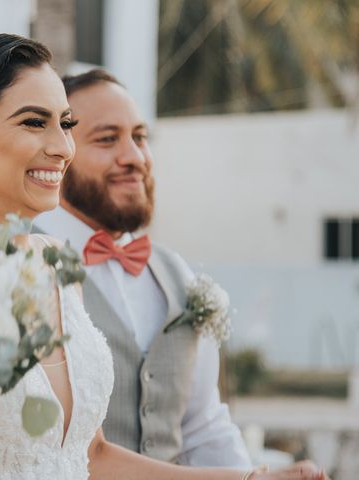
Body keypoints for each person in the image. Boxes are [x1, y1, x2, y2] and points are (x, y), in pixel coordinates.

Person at [0, 32, 327, 480]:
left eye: (64, 123)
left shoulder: (56, 265)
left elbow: (91, 457)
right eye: (33, 122)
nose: (63, 146)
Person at [34, 69, 251, 467]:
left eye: (140, 137)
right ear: (58, 151)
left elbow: (203, 426)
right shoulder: (22, 264)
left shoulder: (176, 273)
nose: (134, 157)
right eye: (107, 139)